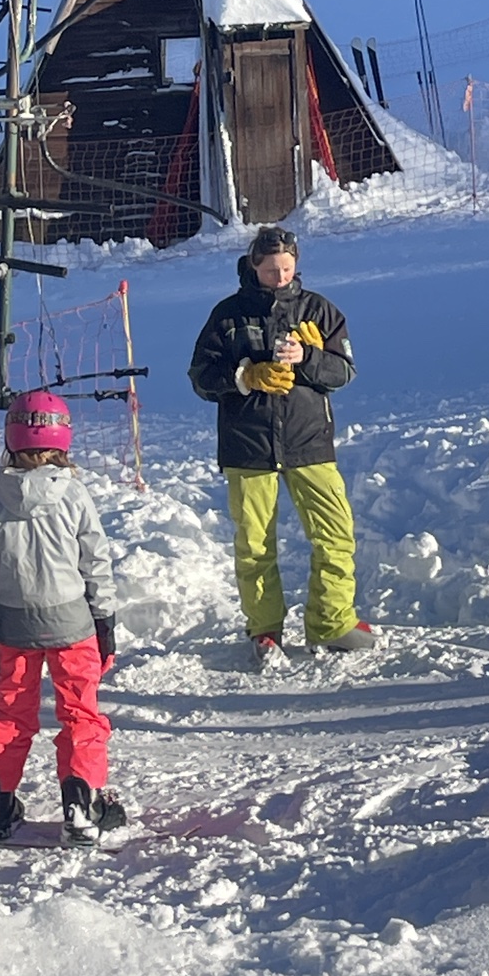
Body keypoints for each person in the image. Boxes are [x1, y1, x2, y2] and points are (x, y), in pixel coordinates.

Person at [189, 225, 371, 666]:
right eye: (271, 270)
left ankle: (331, 622)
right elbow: (200, 377)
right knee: (254, 542)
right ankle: (264, 627)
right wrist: (243, 377)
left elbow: (344, 373)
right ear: (253, 266)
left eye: (286, 268)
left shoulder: (319, 311)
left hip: (309, 441)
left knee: (334, 534)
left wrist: (310, 359)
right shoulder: (228, 315)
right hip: (247, 445)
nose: (280, 277)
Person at [0, 390, 124, 845]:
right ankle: (82, 800)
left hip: (14, 625)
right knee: (80, 713)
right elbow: (95, 560)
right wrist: (104, 619)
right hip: (73, 624)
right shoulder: (73, 493)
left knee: (12, 712)